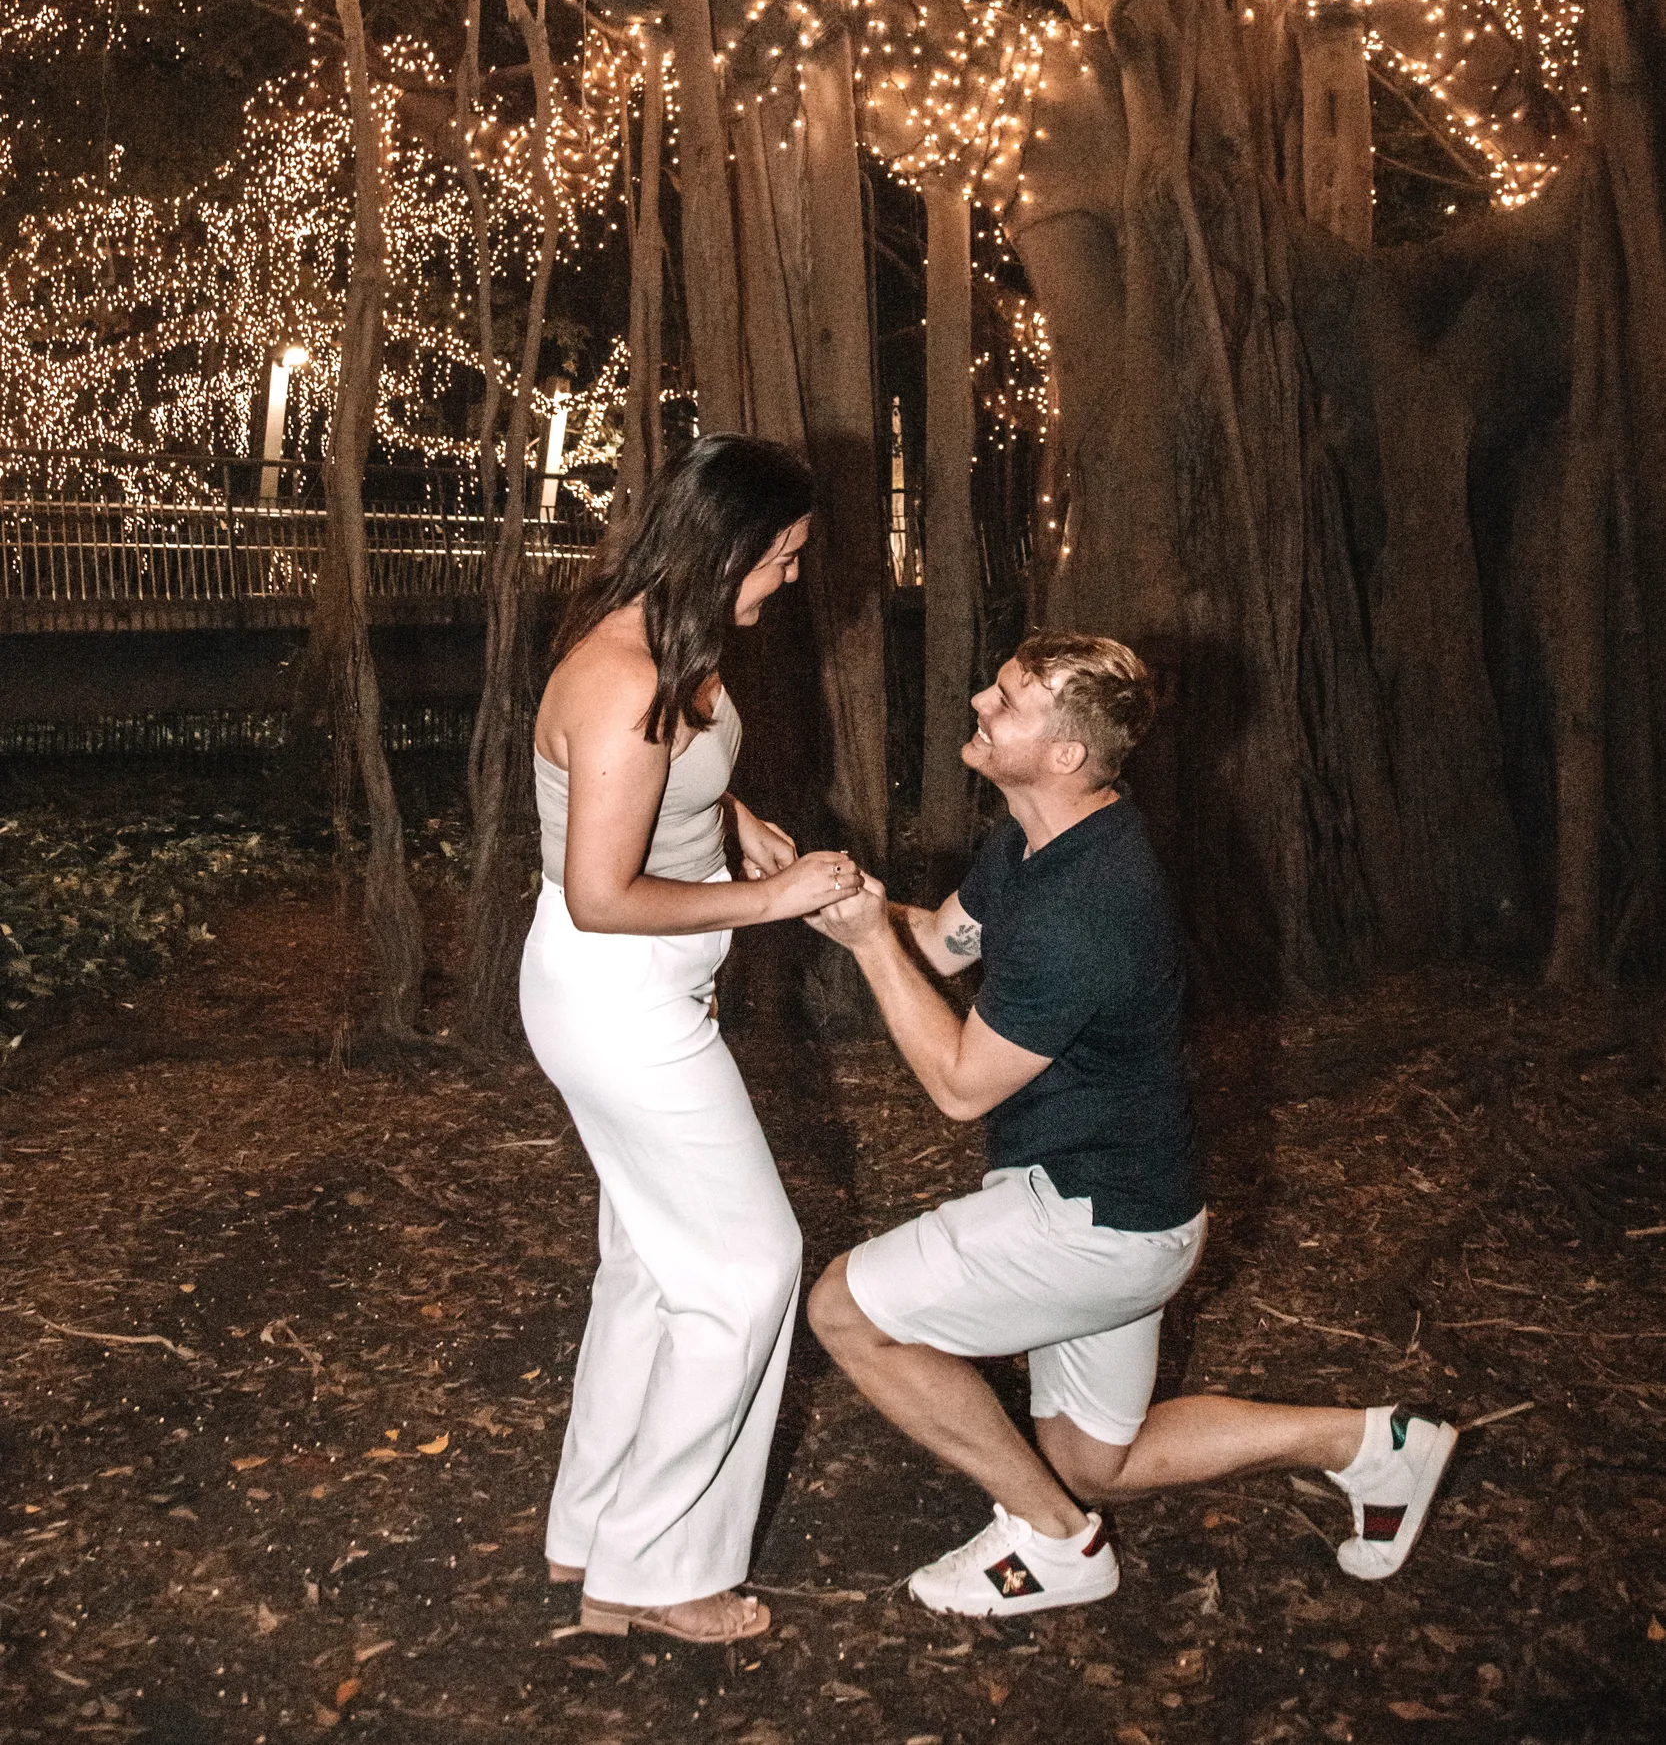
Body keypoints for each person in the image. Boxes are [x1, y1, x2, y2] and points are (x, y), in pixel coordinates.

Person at [806, 633, 1457, 1617]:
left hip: (1089, 1223)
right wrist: (843, 900)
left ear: (1064, 753)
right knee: (1095, 1461)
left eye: (1010, 698)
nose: (981, 699)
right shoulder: (1034, 837)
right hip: (1133, 1210)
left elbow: (957, 1086)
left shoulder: (1089, 905)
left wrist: (862, 946)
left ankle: (1055, 1546)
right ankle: (1375, 1448)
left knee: (844, 1312)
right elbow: (940, 944)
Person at [520, 434, 865, 1647]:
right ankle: (653, 1566)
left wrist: (740, 818)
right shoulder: (622, 676)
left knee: (655, 1269)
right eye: (781, 556)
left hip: (645, 985)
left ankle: (592, 1529)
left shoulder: (675, 645)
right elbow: (599, 891)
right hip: (614, 989)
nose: (786, 578)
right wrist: (765, 899)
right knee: (747, 1266)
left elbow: (667, 779)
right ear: (729, 549)